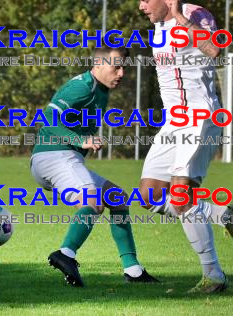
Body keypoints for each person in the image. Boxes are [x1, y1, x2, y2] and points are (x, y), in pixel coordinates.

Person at [136, 0, 233, 293]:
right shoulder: (157, 27)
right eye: (140, 0)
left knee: (181, 196)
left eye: (146, 0)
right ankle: (222, 212)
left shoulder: (195, 15)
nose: (142, 6)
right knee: (148, 195)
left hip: (199, 117)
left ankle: (213, 277)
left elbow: (217, 52)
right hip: (174, 121)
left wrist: (181, 19)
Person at [30, 45, 158, 287]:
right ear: (98, 65)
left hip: (65, 158)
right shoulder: (81, 87)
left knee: (117, 198)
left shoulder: (101, 89)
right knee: (93, 202)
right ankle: (65, 254)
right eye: (116, 67)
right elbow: (48, 118)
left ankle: (133, 270)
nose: (121, 73)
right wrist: (81, 140)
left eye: (124, 68)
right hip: (53, 156)